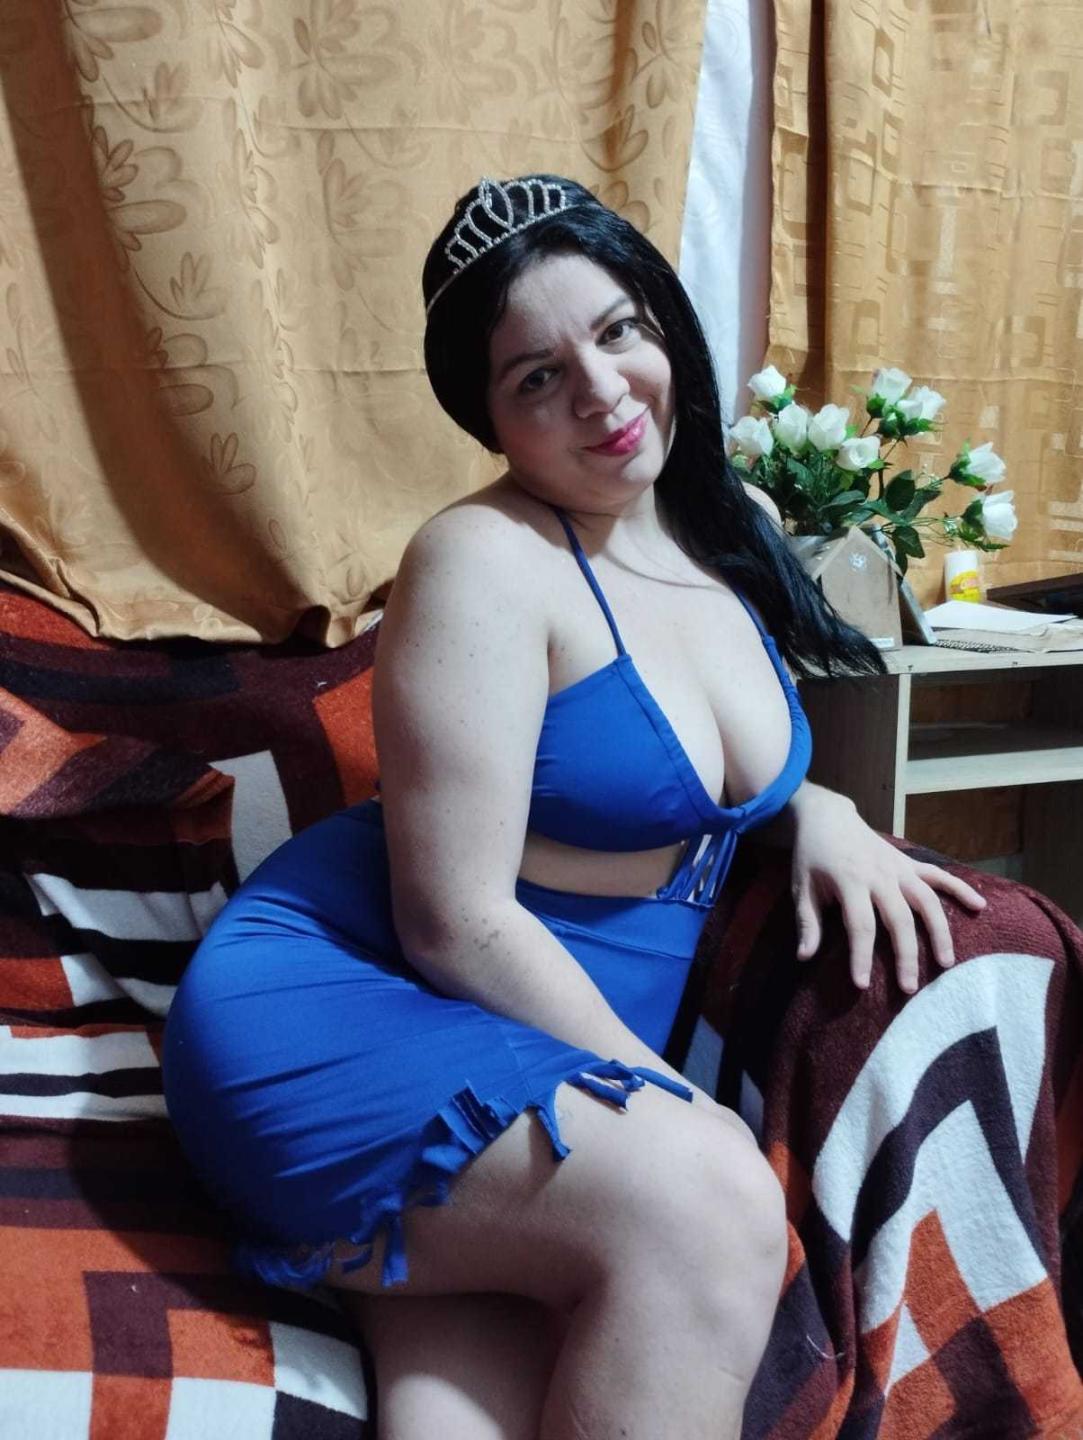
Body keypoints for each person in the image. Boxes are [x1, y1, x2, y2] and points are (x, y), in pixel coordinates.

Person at [162, 175, 986, 1440]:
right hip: (354, 1000)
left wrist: (813, 807)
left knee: (468, 1413)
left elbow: (697, 784)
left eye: (617, 332)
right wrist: (671, 1103)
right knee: (712, 1202)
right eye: (537, 376)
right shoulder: (485, 559)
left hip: (516, 1039)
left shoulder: (727, 529)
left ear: (664, 325)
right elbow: (456, 920)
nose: (601, 392)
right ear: (488, 417)